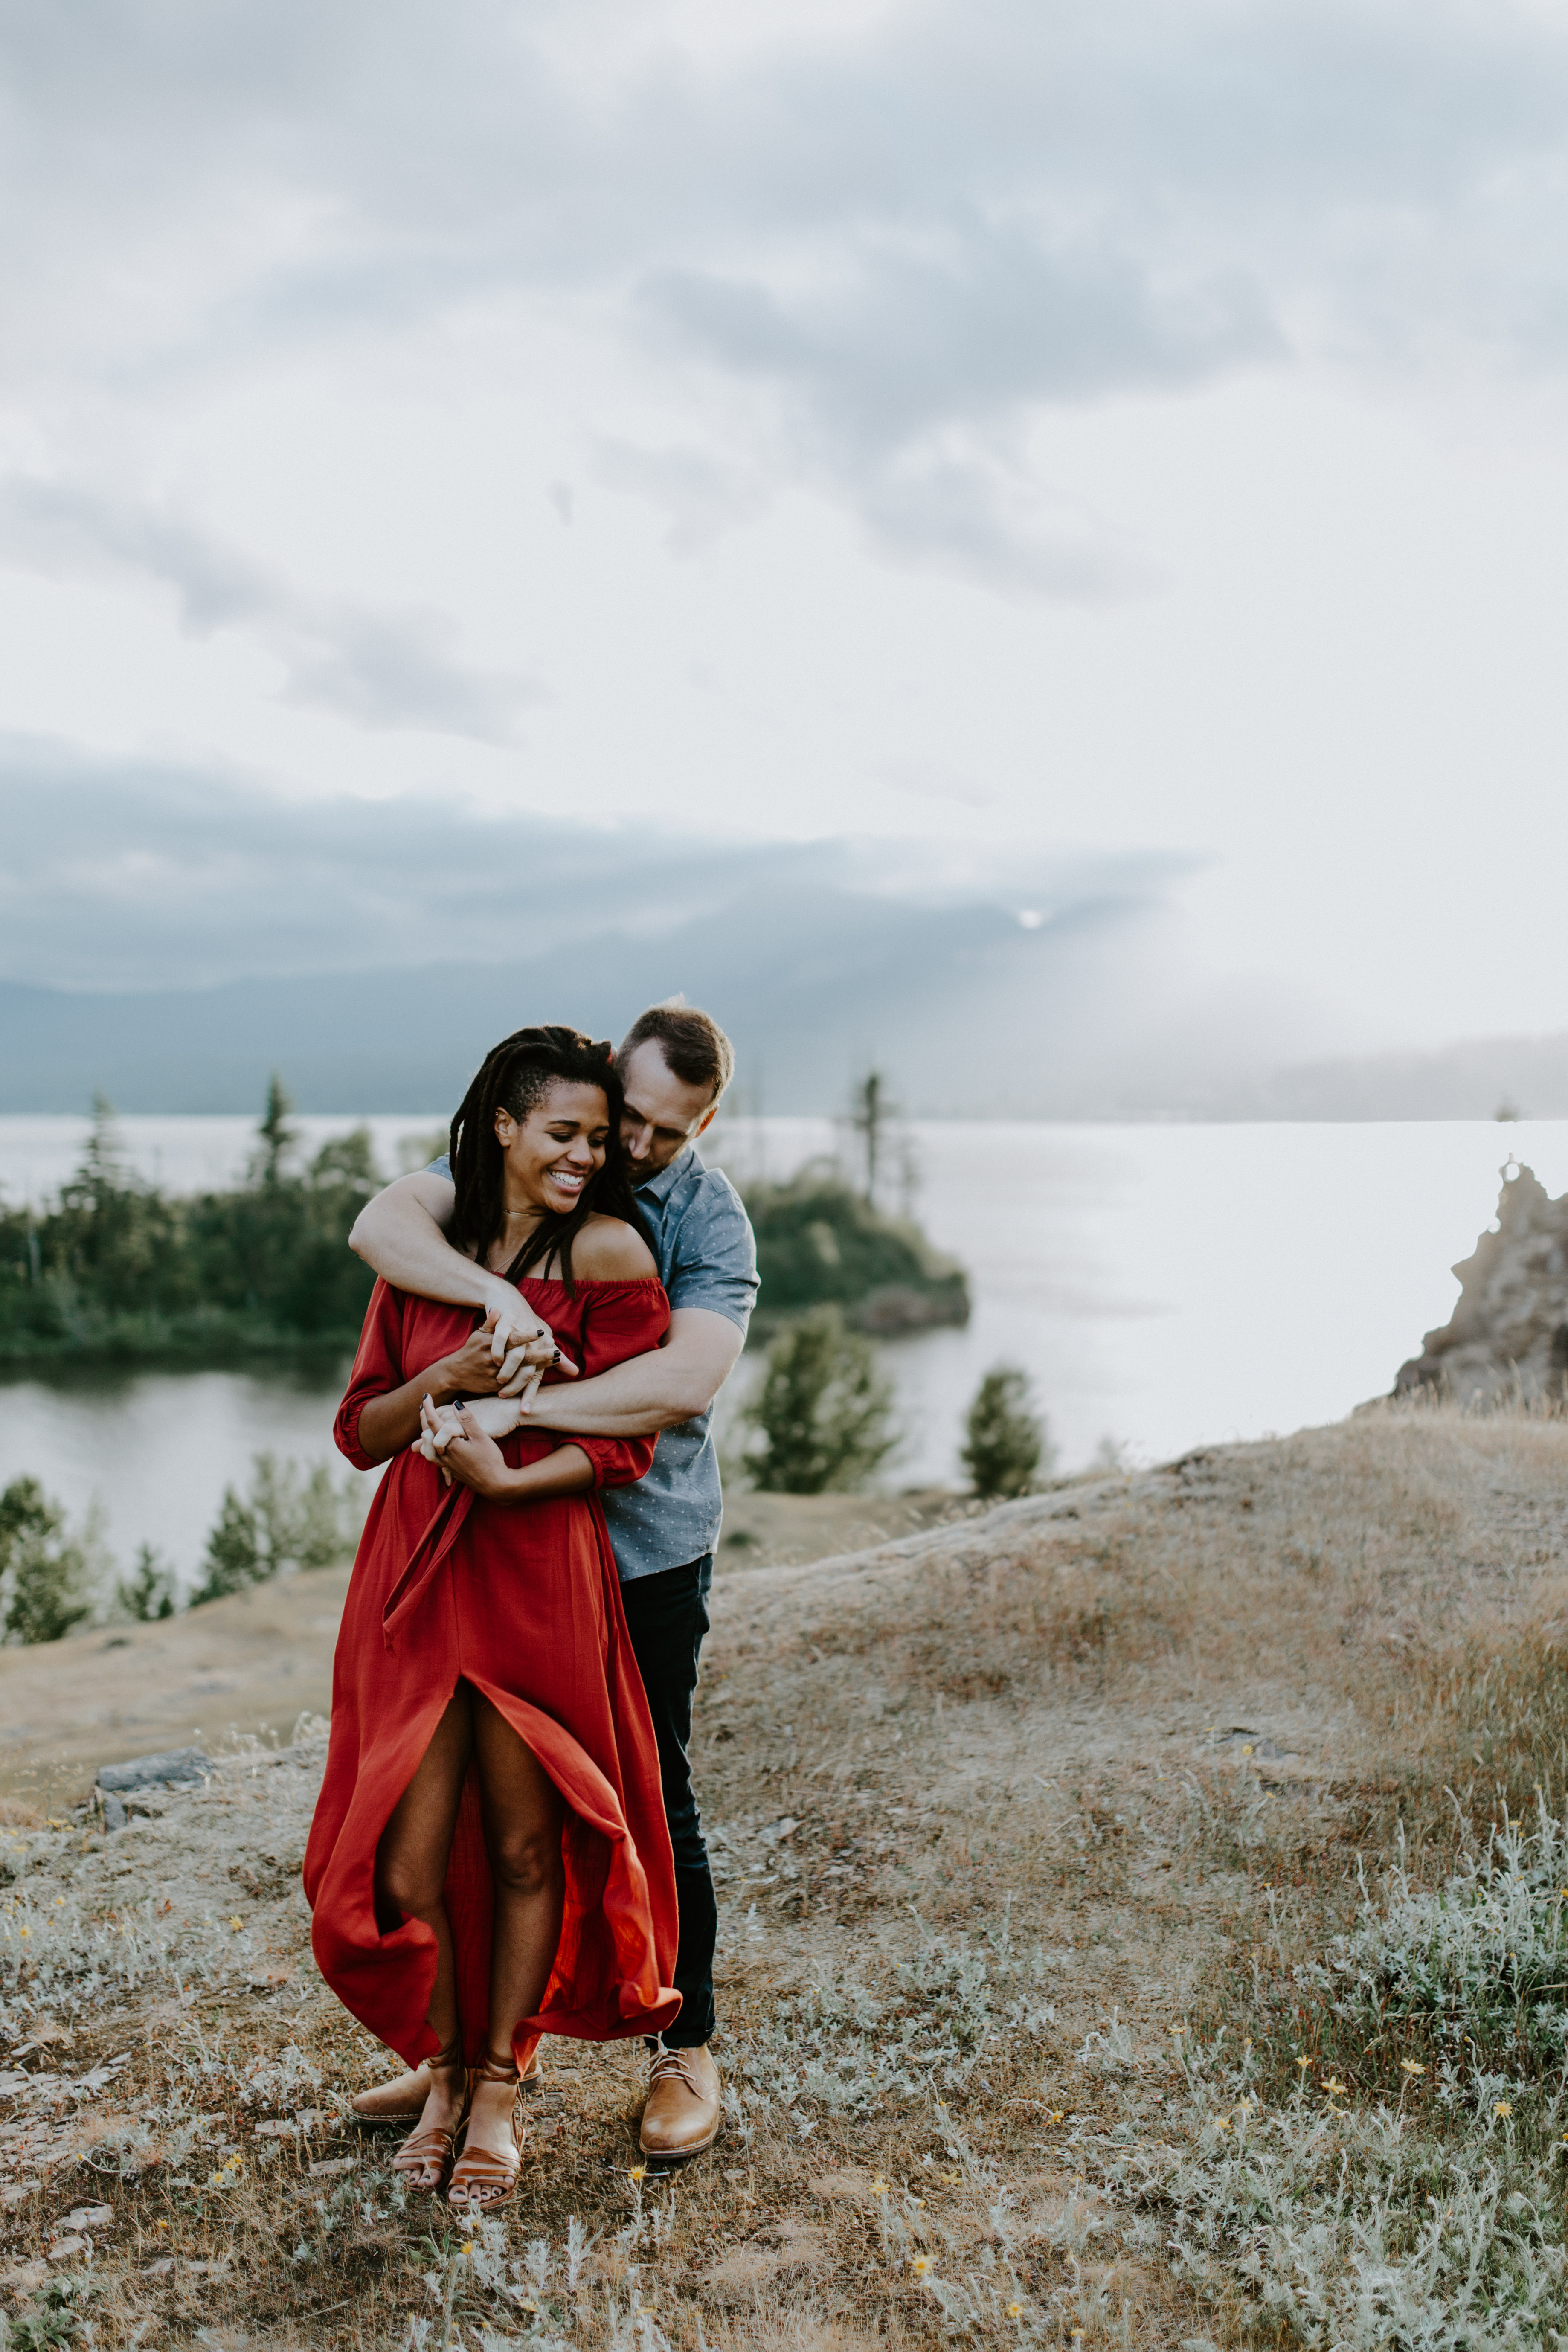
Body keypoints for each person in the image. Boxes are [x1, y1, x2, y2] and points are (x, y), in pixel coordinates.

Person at [346, 1002, 755, 2162]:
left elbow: (683, 1381)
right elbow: (386, 1227)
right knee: (478, 1813)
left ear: (703, 1123)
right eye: (618, 1116)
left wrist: (507, 1411)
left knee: (646, 1796)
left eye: (661, 1133)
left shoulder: (699, 1216)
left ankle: (684, 2043)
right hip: (495, 1559)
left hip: (640, 1548)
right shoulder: (536, 1155)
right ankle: (471, 2059)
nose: (624, 1147)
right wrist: (497, 1309)